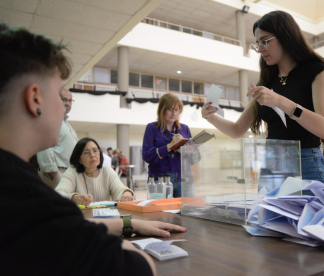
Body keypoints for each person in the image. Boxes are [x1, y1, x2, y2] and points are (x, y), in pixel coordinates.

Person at [0, 23, 185, 275]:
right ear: (35, 99)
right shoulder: (31, 201)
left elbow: (69, 225)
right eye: (59, 95)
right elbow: (140, 268)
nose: (65, 106)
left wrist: (127, 222)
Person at [201, 11, 324, 191]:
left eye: (265, 41)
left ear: (285, 36)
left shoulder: (315, 71)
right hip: (273, 165)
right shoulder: (268, 82)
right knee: (273, 220)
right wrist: (211, 117)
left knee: (315, 220)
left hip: (306, 162)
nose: (260, 49)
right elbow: (237, 130)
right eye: (257, 44)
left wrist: (280, 101)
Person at [55, 138, 134, 205]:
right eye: (86, 152)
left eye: (95, 150)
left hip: (106, 218)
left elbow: (119, 189)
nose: (92, 155)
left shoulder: (107, 171)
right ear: (79, 158)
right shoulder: (72, 172)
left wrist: (126, 193)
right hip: (81, 219)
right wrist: (74, 198)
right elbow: (57, 194)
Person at [142, 93, 192, 197]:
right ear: (162, 110)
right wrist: (169, 146)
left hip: (183, 178)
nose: (174, 113)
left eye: (177, 110)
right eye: (170, 109)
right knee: (160, 211)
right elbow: (147, 156)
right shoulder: (152, 128)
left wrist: (185, 151)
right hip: (159, 179)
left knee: (186, 210)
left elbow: (195, 157)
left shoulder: (185, 129)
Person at [36, 88, 78, 189]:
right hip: (56, 172)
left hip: (68, 172)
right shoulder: (48, 119)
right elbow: (44, 148)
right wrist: (54, 174)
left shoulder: (67, 125)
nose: (68, 103)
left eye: (70, 100)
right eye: (64, 99)